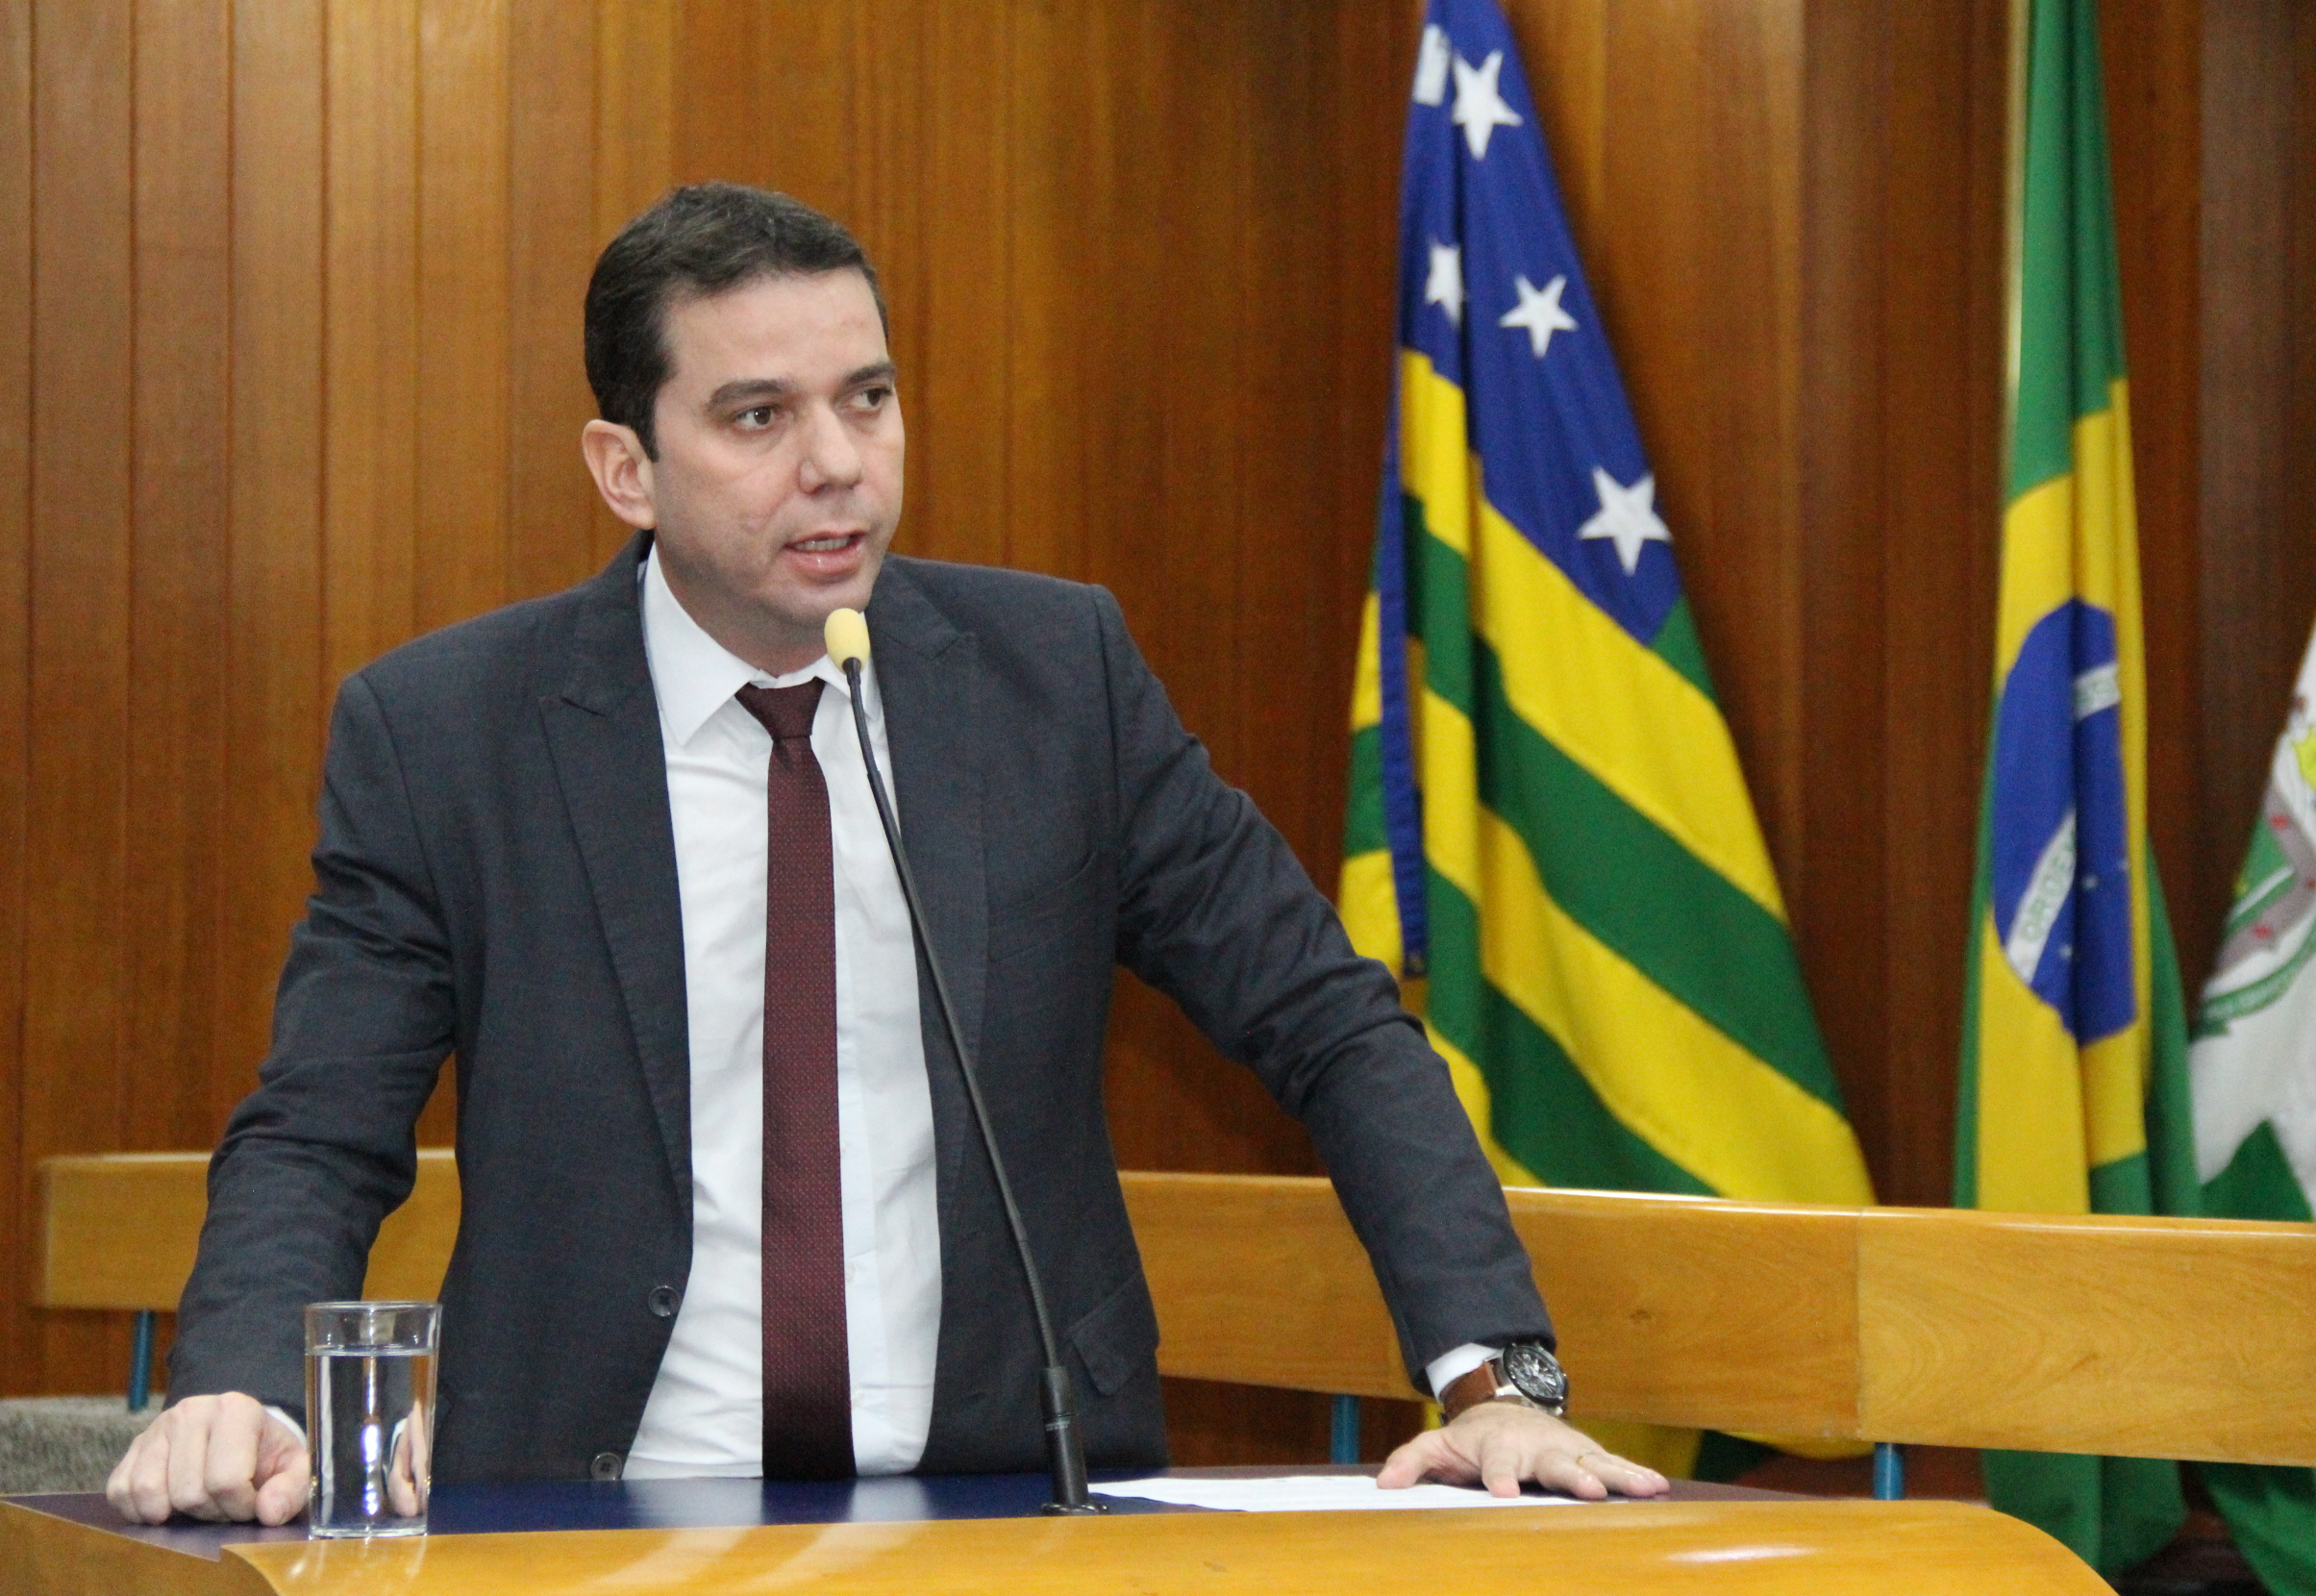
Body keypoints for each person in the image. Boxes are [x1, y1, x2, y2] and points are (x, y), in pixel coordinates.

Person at [107, 184, 1666, 1527]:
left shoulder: (1057, 681)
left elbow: (1326, 1021)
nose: (839, 462)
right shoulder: (451, 733)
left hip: (1006, 1505)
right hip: (587, 1513)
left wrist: (1495, 1379)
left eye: (868, 397)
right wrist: (239, 1389)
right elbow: (320, 1129)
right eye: (759, 417)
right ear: (625, 468)